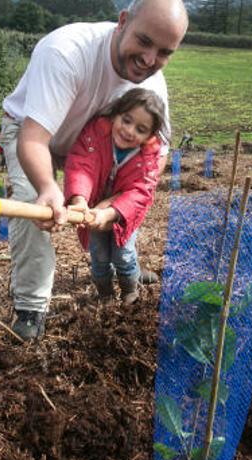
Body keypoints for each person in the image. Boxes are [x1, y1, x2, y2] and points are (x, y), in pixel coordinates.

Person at [0, 0, 188, 340]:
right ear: (123, 21)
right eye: (143, 41)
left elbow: (148, 168)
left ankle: (127, 262)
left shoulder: (151, 87)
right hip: (34, 132)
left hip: (93, 148)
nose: (149, 60)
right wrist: (49, 187)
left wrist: (114, 204)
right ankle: (31, 306)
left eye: (164, 52)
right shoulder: (67, 52)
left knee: (121, 197)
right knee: (32, 202)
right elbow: (35, 140)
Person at [65, 88, 165, 305]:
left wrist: (110, 213)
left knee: (124, 255)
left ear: (149, 136)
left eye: (140, 129)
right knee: (99, 257)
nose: (129, 131)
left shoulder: (147, 158)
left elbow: (139, 192)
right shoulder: (95, 135)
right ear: (116, 114)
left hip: (123, 215)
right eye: (126, 120)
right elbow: (81, 166)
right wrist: (79, 199)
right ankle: (106, 294)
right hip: (92, 211)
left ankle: (130, 289)